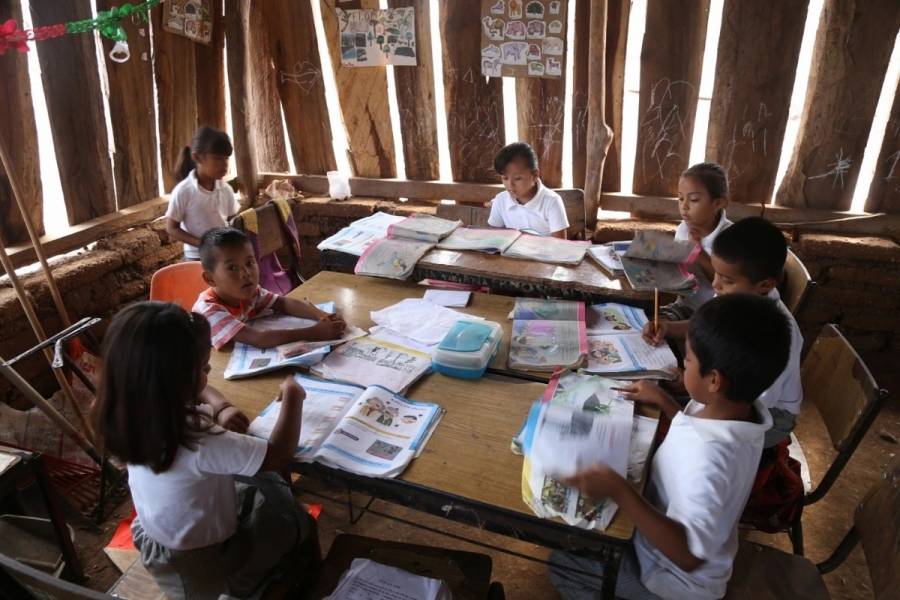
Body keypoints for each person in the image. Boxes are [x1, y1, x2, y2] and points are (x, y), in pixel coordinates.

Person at [550, 293, 791, 600]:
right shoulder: (741, 413)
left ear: (714, 380)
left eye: (687, 360)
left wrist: (619, 489)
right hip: (670, 541)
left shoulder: (711, 461)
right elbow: (696, 438)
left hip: (668, 580)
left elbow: (688, 556)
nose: (682, 366)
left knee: (563, 565)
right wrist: (665, 402)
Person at [95, 302, 319, 599]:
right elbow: (278, 455)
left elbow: (198, 389)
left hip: (159, 533)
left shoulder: (126, 411)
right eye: (203, 368)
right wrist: (293, 395)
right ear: (176, 379)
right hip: (198, 561)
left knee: (261, 492)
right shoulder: (196, 438)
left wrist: (221, 405)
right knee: (290, 522)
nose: (209, 373)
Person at [643, 217, 802, 447]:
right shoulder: (738, 298)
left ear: (765, 285)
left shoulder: (774, 335)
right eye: (715, 274)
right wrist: (669, 328)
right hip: (730, 388)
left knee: (674, 433)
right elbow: (707, 323)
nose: (715, 285)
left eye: (726, 280)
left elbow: (745, 408)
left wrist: (676, 401)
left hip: (768, 415)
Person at [193, 227, 346, 350]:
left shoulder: (250, 293)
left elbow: (284, 303)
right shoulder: (209, 311)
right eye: (232, 268)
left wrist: (322, 316)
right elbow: (259, 339)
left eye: (249, 263)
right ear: (210, 279)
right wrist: (315, 332)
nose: (246, 273)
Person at [660, 162, 732, 320]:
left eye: (693, 200)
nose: (684, 206)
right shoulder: (684, 229)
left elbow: (728, 282)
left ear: (718, 203)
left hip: (715, 314)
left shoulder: (730, 239)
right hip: (684, 304)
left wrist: (696, 251)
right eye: (680, 198)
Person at [165, 126, 240, 261]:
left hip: (222, 255)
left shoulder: (225, 189)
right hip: (196, 257)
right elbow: (171, 228)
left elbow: (234, 221)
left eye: (226, 158)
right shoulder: (184, 192)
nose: (225, 165)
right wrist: (202, 244)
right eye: (218, 158)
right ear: (197, 157)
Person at [487, 142, 569, 238]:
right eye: (505, 178)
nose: (510, 185)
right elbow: (493, 238)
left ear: (535, 175)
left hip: (544, 252)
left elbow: (560, 245)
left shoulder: (551, 201)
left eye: (517, 178)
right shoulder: (500, 200)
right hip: (511, 252)